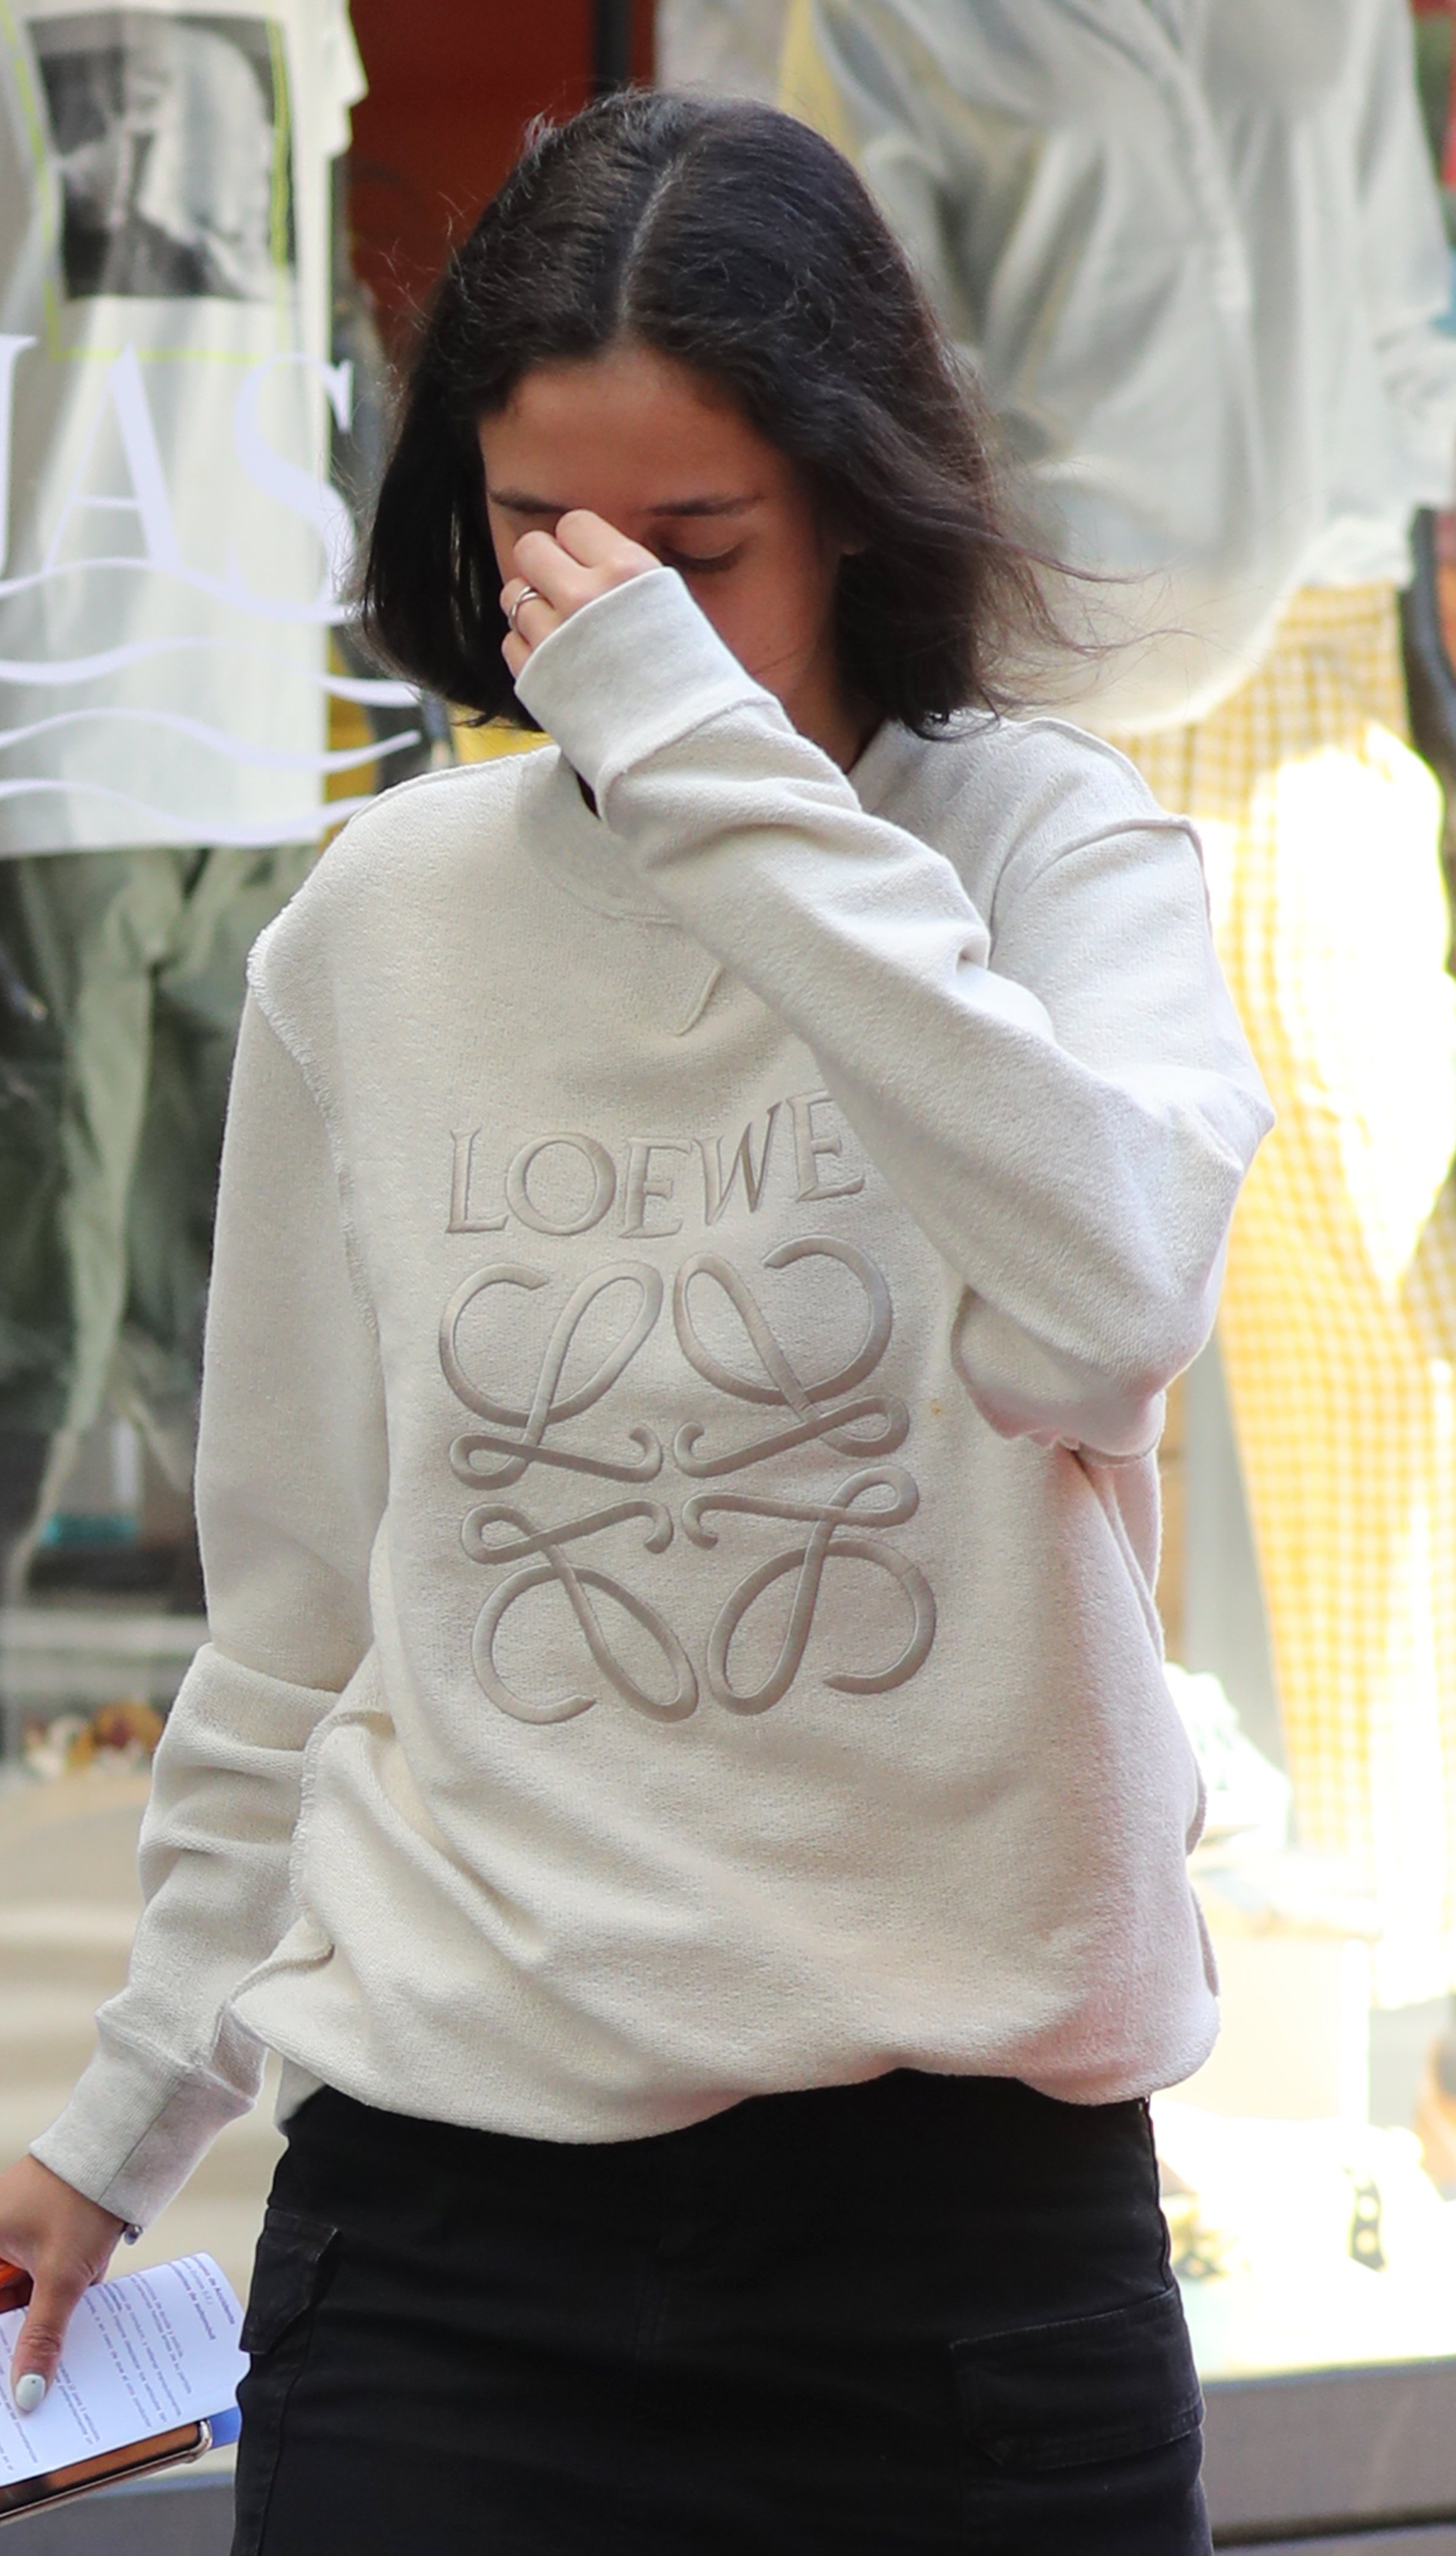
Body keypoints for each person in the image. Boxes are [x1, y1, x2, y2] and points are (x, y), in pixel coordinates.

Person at [0, 94, 1269, 2554]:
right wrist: (118, 2131)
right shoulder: (382, 924)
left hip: (962, 2254)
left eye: (692, 551)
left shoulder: (1044, 851)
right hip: (453, 2252)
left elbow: (1100, 1308)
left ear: (853, 501)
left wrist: (704, 772)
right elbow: (298, 1628)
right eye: (545, 540)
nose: (603, 621)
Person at [780, 0, 1456, 2106]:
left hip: (1321, 637)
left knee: (1365, 1223)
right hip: (1048, 659)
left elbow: (1392, 273)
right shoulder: (889, 14)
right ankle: (1073, 1907)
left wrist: (1424, 523)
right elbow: (877, 350)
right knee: (1037, 1285)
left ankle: (1401, 1919)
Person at [0, 0, 394, 1668]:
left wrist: (400, 701)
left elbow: (332, 336)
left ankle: (255, 1849)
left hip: (251, 778)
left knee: (284, 1465)